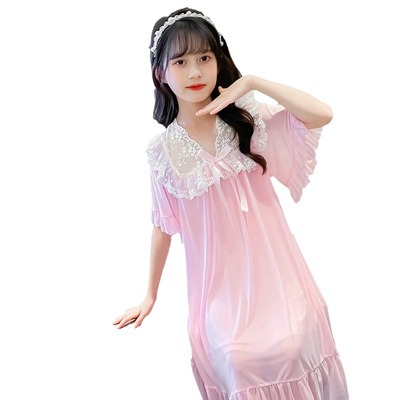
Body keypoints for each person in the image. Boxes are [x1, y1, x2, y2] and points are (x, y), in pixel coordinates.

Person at [113, 6, 349, 400]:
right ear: (160, 73)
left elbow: (321, 114)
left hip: (278, 277)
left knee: (295, 345)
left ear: (218, 61)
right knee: (235, 360)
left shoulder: (248, 120)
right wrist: (149, 294)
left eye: (205, 58)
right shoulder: (161, 153)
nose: (195, 72)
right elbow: (162, 225)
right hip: (217, 291)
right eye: (181, 61)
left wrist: (254, 82)